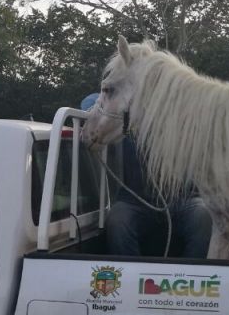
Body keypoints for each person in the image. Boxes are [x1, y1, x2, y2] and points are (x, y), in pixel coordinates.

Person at [81, 93, 212, 258]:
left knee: (204, 215)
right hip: (135, 199)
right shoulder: (127, 114)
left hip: (183, 198)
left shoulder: (179, 106)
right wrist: (126, 108)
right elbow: (88, 102)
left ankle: (191, 275)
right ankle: (130, 275)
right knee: (118, 220)